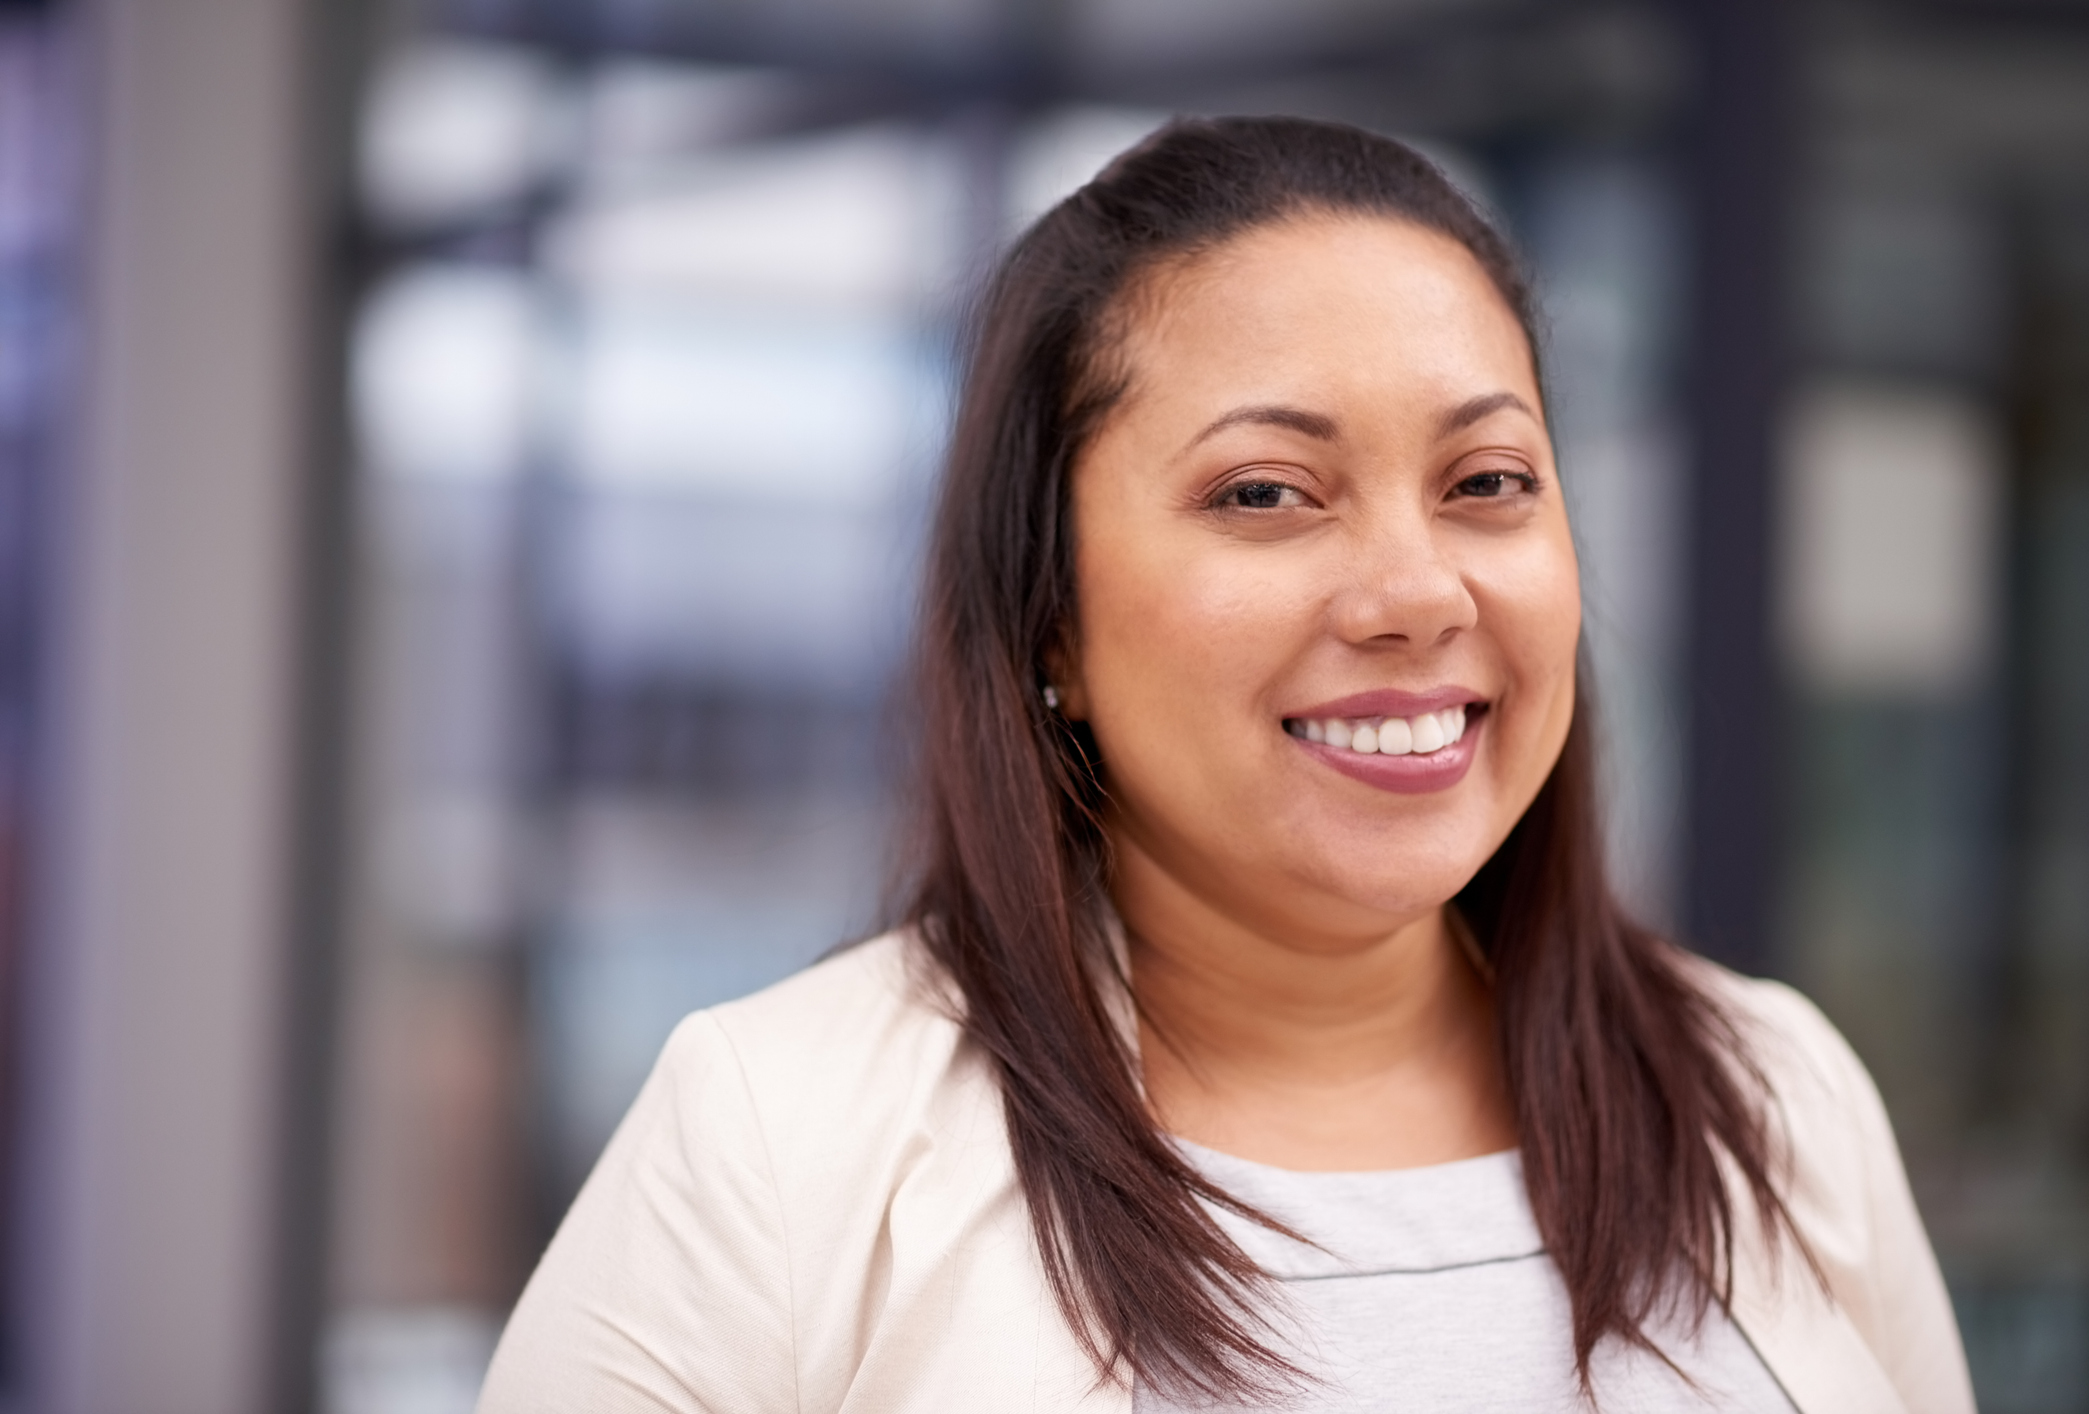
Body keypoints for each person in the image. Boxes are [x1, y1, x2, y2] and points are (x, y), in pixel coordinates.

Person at [476, 116, 1974, 1413]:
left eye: (1488, 483)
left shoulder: (1770, 1092)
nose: (1417, 591)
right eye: (1267, 492)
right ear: (1049, 614)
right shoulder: (777, 1134)